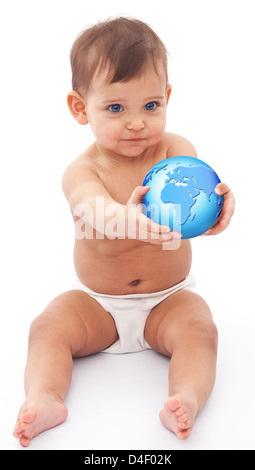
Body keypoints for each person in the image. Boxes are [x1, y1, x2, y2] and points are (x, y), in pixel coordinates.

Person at [13, 17, 235, 447]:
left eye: (150, 106)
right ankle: (45, 396)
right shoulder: (82, 170)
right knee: (47, 327)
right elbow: (97, 212)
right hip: (97, 304)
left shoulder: (176, 150)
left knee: (200, 329)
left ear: (167, 98)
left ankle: (185, 397)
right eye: (116, 108)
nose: (137, 123)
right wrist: (136, 221)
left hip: (167, 299)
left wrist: (219, 211)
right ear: (81, 108)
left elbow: (198, 192)